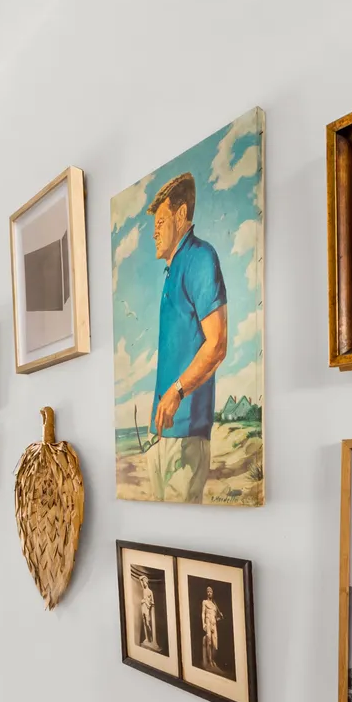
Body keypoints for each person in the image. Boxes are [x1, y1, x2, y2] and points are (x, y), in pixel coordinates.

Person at [146, 173, 228, 503]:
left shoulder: (199, 258)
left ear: (181, 216)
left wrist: (177, 391)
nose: (154, 231)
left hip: (186, 437)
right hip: (164, 435)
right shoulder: (174, 268)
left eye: (161, 221)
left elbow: (217, 342)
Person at [200, 585, 222, 675]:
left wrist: (220, 616)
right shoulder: (204, 602)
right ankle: (210, 662)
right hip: (208, 622)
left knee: (215, 645)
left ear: (212, 593)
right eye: (208, 591)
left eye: (211, 592)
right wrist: (203, 624)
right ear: (206, 593)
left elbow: (217, 618)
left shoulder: (214, 605)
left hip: (214, 624)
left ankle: (213, 659)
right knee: (209, 641)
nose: (209, 593)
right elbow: (203, 613)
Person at [137, 579, 157, 650]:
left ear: (147, 582)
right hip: (143, 606)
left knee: (148, 623)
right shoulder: (144, 590)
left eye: (144, 581)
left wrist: (146, 601)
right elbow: (140, 579)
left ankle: (152, 638)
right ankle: (146, 638)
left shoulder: (150, 591)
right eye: (143, 582)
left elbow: (152, 602)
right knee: (145, 622)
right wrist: (143, 601)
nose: (143, 583)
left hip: (147, 607)